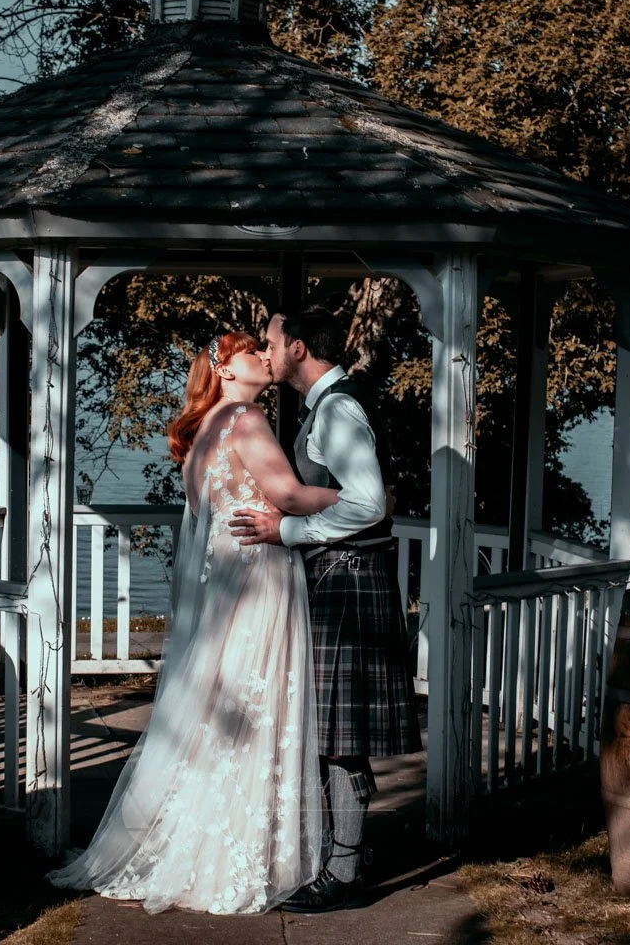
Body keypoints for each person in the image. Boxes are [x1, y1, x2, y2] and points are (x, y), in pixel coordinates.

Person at [48, 331, 337, 914]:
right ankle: (243, 853)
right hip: (259, 585)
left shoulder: (203, 435)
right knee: (255, 713)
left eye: (264, 348)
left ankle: (205, 841)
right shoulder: (246, 420)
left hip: (222, 593)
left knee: (218, 714)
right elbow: (288, 493)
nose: (262, 356)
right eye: (250, 351)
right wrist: (361, 499)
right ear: (226, 371)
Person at [228, 307, 422, 914]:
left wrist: (287, 530)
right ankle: (339, 857)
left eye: (273, 341)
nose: (267, 348)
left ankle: (343, 874)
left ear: (299, 348)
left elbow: (367, 505)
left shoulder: (338, 410)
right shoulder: (329, 406)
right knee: (331, 730)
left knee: (340, 736)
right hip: (340, 575)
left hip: (351, 579)